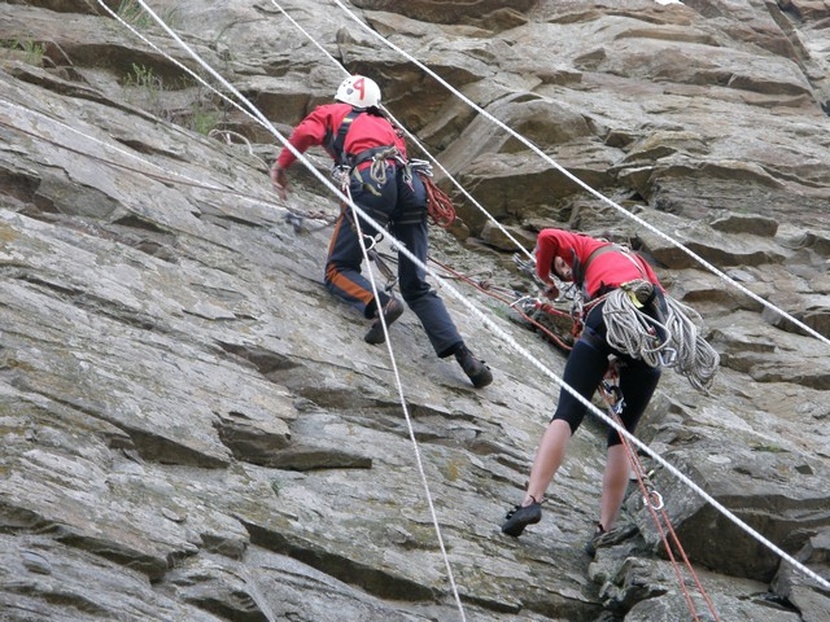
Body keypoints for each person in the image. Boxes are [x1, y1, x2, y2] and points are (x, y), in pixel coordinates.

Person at [270, 75, 493, 388]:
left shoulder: (331, 112)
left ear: (343, 99)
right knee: (416, 286)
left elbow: (307, 132)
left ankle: (382, 303)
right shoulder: (387, 126)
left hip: (371, 181)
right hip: (411, 187)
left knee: (338, 268)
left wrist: (280, 166)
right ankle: (466, 358)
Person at [500, 228, 668, 553]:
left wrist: (545, 278)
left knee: (567, 413)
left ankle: (530, 501)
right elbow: (657, 301)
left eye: (561, 266)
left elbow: (548, 236)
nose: (563, 271)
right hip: (650, 336)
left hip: (609, 315)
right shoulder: (637, 264)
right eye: (559, 272)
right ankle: (603, 530)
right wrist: (619, 357)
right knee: (622, 434)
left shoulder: (586, 245)